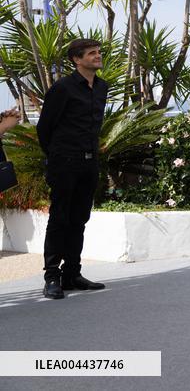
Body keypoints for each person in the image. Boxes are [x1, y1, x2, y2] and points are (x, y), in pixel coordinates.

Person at [36, 38, 109, 299]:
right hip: (64, 162)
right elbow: (44, 128)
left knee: (79, 218)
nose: (98, 56)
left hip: (90, 163)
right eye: (92, 53)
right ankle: (52, 277)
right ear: (77, 60)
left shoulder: (102, 87)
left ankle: (72, 274)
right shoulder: (62, 88)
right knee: (60, 218)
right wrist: (58, 155)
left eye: (98, 52)